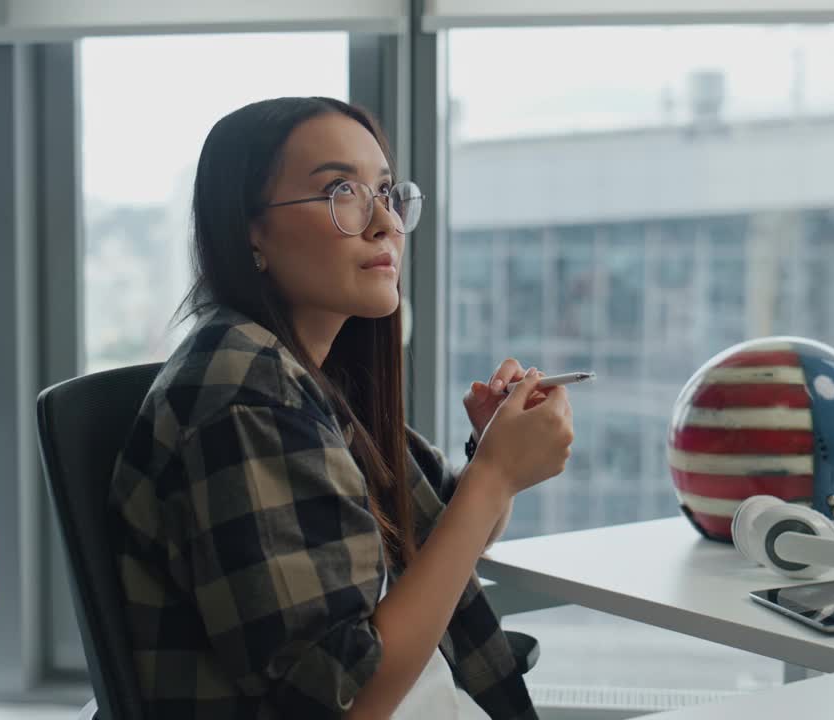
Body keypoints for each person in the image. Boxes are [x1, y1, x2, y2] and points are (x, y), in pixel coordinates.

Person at [109, 96, 574, 719]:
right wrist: (493, 478)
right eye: (342, 190)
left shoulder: (308, 375)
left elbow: (443, 533)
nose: (385, 221)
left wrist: (496, 459)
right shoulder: (247, 396)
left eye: (386, 191)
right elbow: (343, 703)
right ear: (251, 229)